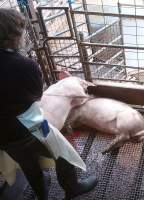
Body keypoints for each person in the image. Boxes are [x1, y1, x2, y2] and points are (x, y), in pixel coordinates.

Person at [0, 8, 97, 200]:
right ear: (14, 36)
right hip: (31, 124)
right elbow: (36, 96)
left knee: (28, 164)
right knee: (62, 149)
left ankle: (41, 195)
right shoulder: (25, 65)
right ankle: (72, 187)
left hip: (3, 135)